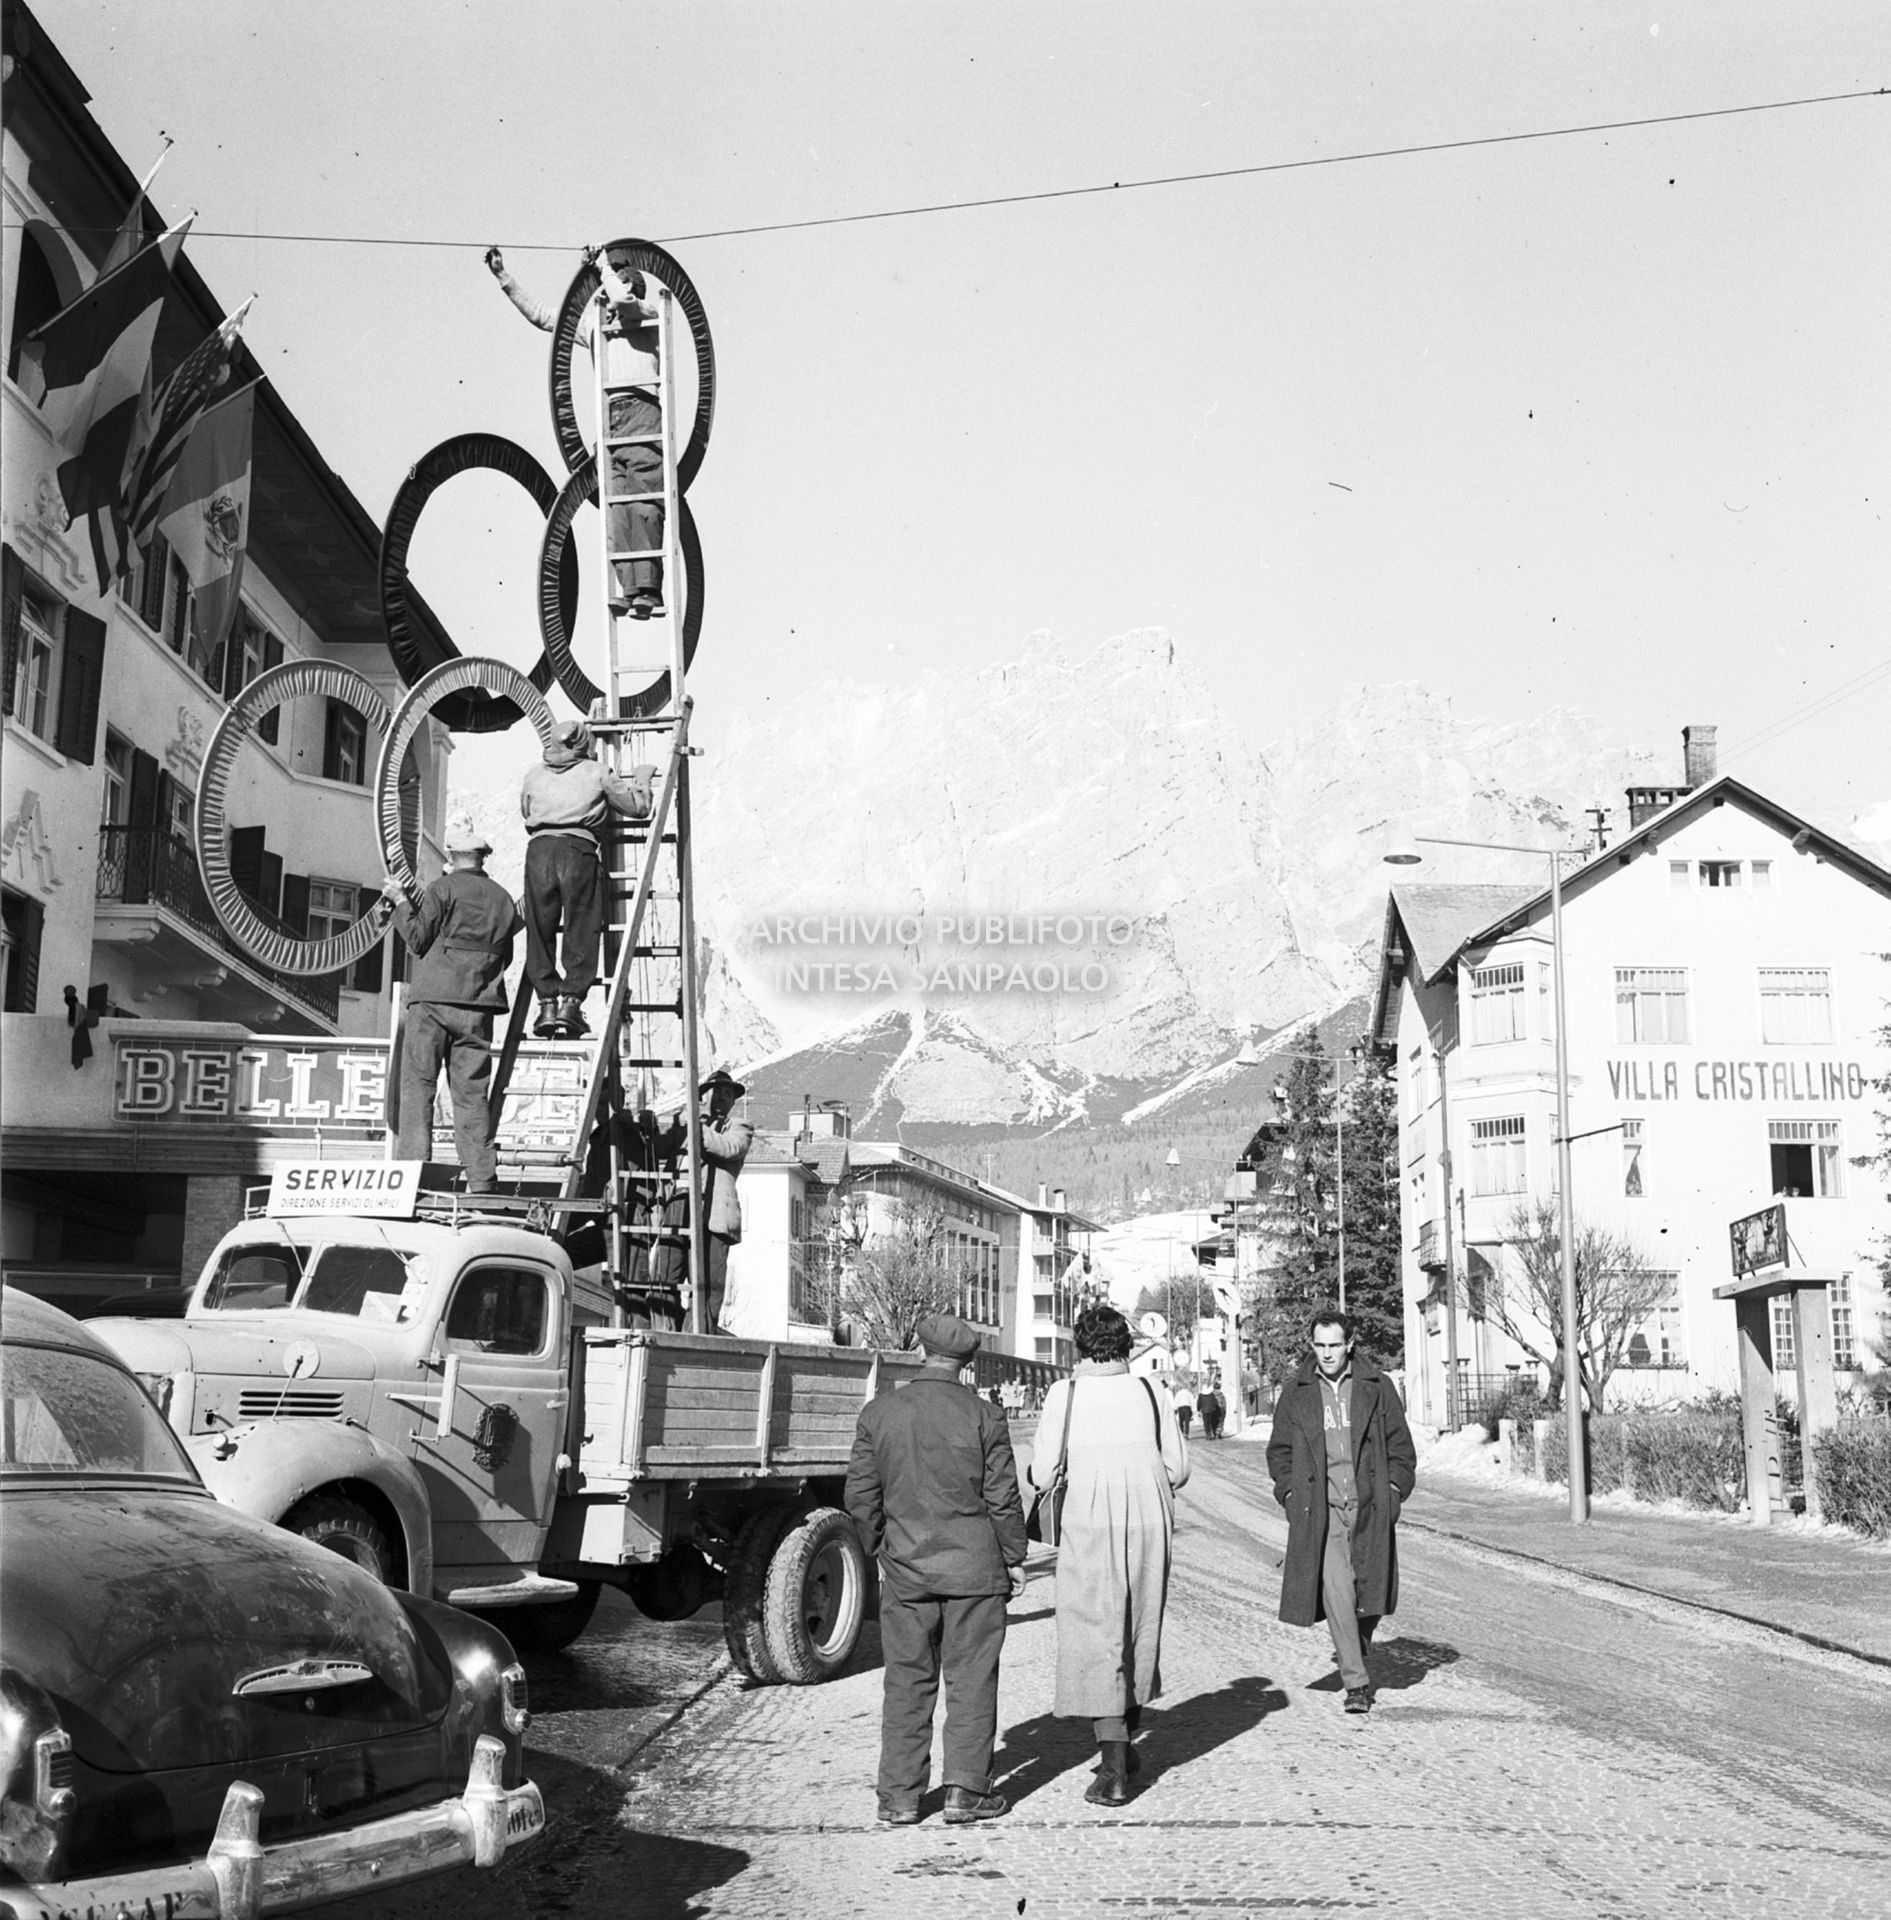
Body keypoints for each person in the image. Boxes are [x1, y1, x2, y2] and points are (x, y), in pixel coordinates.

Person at [844, 1311, 1028, 1827]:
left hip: (905, 1570)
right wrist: (1014, 1558)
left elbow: (860, 1498)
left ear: (921, 1350)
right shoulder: (985, 1416)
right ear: (968, 1362)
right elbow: (1003, 1499)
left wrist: (881, 1549)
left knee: (906, 1679)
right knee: (971, 1679)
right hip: (975, 1571)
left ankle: (899, 1797)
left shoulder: (879, 1414)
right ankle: (965, 1792)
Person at [1029, 1303, 1189, 1806]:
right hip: (1150, 1516)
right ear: (1126, 1345)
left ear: (1080, 1346)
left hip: (1090, 1517)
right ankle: (1125, 1749)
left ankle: (1115, 1766)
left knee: (1095, 1630)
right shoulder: (1151, 1389)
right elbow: (1179, 1468)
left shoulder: (1065, 1393)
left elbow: (1041, 1473)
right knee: (1139, 1628)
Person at [487, 242, 665, 619]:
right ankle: (630, 590)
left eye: (619, 292)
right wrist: (505, 278)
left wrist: (603, 268)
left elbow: (626, 301)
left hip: (643, 414)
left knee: (645, 503)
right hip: (611, 419)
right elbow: (544, 317)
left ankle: (649, 589)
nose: (614, 304)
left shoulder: (648, 317)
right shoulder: (599, 330)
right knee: (616, 508)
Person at [1265, 1308, 1417, 1716]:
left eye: (1335, 1345)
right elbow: (1279, 1453)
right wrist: (1291, 1493)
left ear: (1349, 1345)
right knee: (1336, 1591)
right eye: (1320, 1345)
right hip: (1321, 1510)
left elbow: (1401, 1448)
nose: (1327, 1354)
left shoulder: (1377, 1387)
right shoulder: (1296, 1391)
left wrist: (1393, 1491)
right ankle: (1357, 1683)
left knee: (1371, 1594)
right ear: (1311, 1345)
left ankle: (1356, 1644)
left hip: (1370, 1505)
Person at [382, 812, 524, 1194]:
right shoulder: (502, 898)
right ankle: (481, 1181)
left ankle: (410, 1177)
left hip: (432, 1003)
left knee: (419, 1086)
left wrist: (398, 902)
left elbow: (416, 938)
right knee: (472, 1095)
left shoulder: (442, 890)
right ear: (483, 858)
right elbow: (505, 956)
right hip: (478, 1005)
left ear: (451, 856)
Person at [519, 718, 656, 1038]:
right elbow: (638, 808)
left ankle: (546, 1005)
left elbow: (525, 811)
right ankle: (571, 1004)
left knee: (539, 928)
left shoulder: (534, 774)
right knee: (582, 925)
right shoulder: (597, 772)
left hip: (538, 851)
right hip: (577, 850)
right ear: (585, 744)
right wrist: (642, 778)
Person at [649, 1067, 754, 1332]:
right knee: (664, 1275)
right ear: (703, 1097)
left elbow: (726, 1148)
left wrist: (695, 1126)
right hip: (680, 1202)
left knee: (707, 1284)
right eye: (715, 1093)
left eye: (727, 1095)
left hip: (714, 1214)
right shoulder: (684, 1126)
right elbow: (659, 1149)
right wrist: (648, 1128)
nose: (721, 1099)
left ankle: (694, 1338)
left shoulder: (739, 1128)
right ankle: (665, 1333)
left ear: (733, 1102)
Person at [1170, 1375, 1197, 1439]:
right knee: (1187, 1422)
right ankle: (1186, 1434)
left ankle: (1181, 1433)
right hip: (1187, 1408)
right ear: (1187, 1387)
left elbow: (1176, 1401)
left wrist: (1175, 1409)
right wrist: (1193, 1410)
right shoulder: (1189, 1393)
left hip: (1180, 1408)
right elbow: (1192, 1401)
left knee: (1181, 1421)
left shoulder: (1179, 1393)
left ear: (1181, 1387)